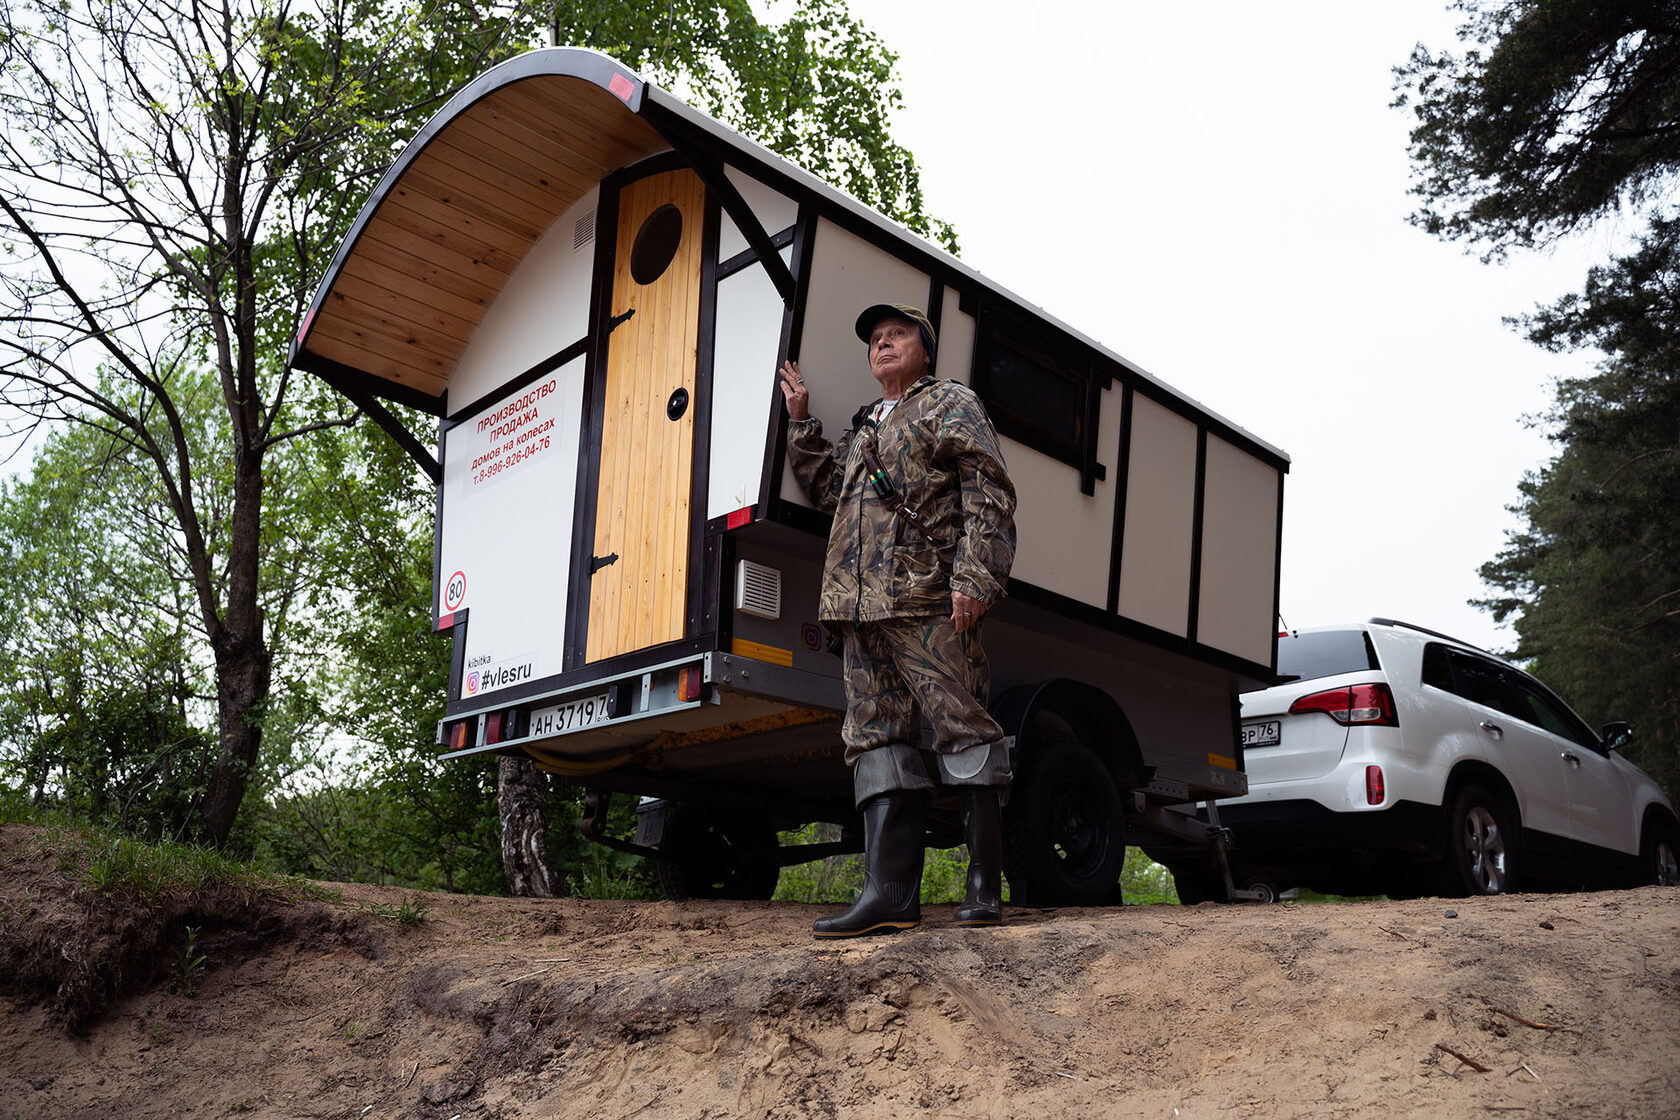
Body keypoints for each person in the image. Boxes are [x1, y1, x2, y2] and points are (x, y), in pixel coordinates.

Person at [779, 303, 1017, 938]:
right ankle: (888, 895)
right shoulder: (867, 428)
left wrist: (974, 578)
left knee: (963, 729)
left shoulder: (949, 404)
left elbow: (988, 491)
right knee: (876, 742)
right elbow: (832, 490)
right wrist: (801, 425)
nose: (882, 345)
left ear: (925, 349)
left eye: (897, 335)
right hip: (861, 611)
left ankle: (983, 887)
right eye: (875, 340)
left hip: (928, 599)